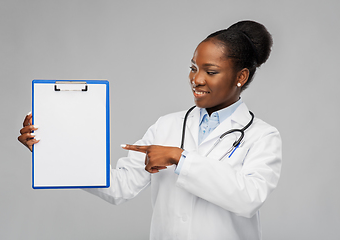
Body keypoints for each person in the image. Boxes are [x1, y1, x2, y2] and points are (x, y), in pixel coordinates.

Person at [18, 20, 282, 240]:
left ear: (241, 77)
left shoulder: (262, 136)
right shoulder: (167, 125)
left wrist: (180, 158)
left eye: (210, 71)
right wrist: (53, 151)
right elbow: (120, 187)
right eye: (193, 68)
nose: (196, 79)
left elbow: (249, 198)